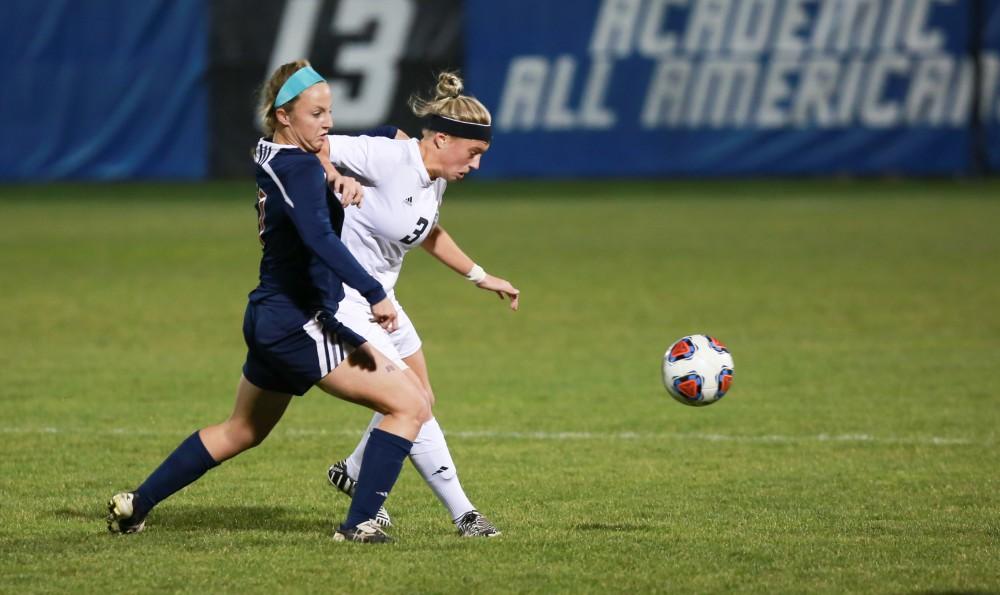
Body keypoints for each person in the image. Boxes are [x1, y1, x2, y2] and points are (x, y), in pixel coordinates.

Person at [105, 60, 430, 544]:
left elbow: (331, 152)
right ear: (284, 115)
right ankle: (358, 523)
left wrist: (340, 168)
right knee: (411, 404)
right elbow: (320, 238)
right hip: (301, 322)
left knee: (242, 430)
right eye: (317, 113)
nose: (329, 123)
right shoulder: (297, 167)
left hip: (269, 315)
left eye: (329, 112)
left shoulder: (276, 154)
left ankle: (137, 504)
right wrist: (375, 292)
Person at [314, 72, 519, 537]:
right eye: (474, 153)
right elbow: (314, 144)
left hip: (384, 301)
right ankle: (464, 514)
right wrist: (334, 175)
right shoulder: (389, 157)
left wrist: (481, 277)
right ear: (443, 139)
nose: (477, 165)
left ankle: (353, 470)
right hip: (347, 299)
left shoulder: (436, 177)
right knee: (411, 402)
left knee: (422, 399)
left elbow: (426, 233)